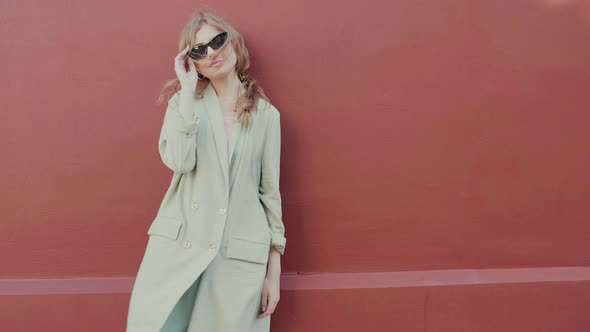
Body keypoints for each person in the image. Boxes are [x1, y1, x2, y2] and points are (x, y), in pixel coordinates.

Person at [126, 11, 286, 332]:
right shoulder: (183, 105)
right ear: (193, 64)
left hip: (236, 254)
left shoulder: (267, 116)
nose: (211, 52)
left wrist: (274, 273)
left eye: (217, 41)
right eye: (199, 50)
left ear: (233, 43)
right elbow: (179, 161)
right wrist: (186, 91)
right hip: (182, 244)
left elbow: (269, 194)